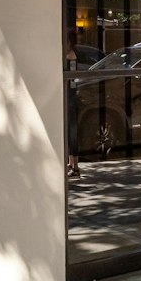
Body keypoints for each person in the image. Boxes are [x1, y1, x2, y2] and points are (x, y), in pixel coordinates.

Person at [65, 31, 81, 178]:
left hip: (70, 99)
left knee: (72, 132)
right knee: (70, 132)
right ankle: (72, 163)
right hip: (70, 97)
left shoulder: (71, 56)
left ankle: (75, 167)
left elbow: (72, 81)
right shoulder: (70, 55)